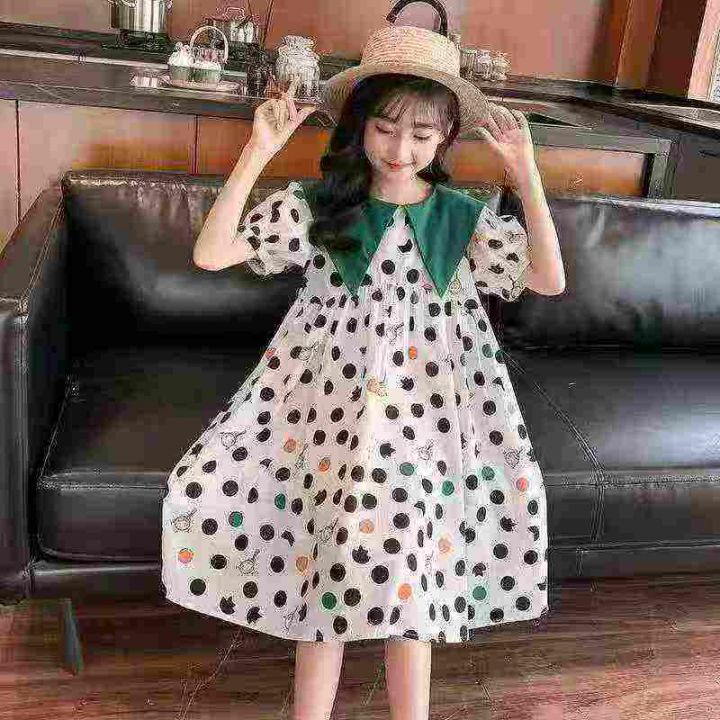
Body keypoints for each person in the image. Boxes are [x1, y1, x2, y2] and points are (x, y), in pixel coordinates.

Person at [161, 18, 565, 720]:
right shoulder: (325, 208)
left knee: (411, 583)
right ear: (360, 126)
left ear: (445, 137)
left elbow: (548, 280)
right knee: (328, 568)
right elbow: (212, 253)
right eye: (385, 129)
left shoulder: (460, 219)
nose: (401, 150)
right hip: (329, 414)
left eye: (422, 134)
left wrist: (525, 174)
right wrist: (258, 151)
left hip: (429, 420)